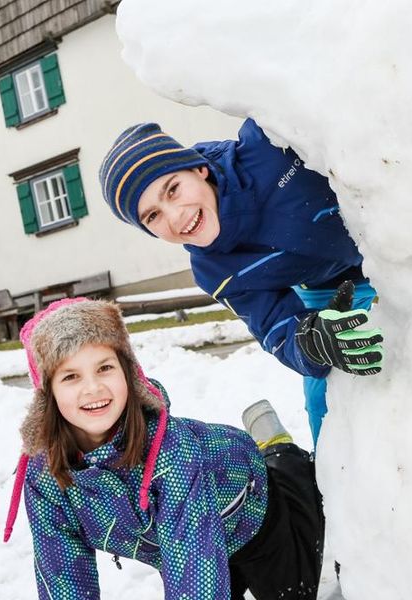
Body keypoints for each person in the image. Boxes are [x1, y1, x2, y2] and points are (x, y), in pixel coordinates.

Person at [3, 297, 325, 599]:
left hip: (247, 508)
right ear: (49, 394)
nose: (93, 387)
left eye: (104, 368)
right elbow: (62, 571)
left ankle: (279, 451)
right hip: (179, 547)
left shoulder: (171, 452)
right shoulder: (45, 475)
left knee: (294, 592)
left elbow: (195, 575)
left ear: (128, 373)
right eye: (71, 376)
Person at [98, 120, 384, 447]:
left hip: (399, 240)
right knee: (326, 402)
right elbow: (275, 327)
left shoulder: (268, 144)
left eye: (173, 189)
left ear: (199, 169)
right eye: (153, 216)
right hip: (334, 287)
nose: (175, 217)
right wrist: (310, 341)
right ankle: (338, 490)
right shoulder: (214, 270)